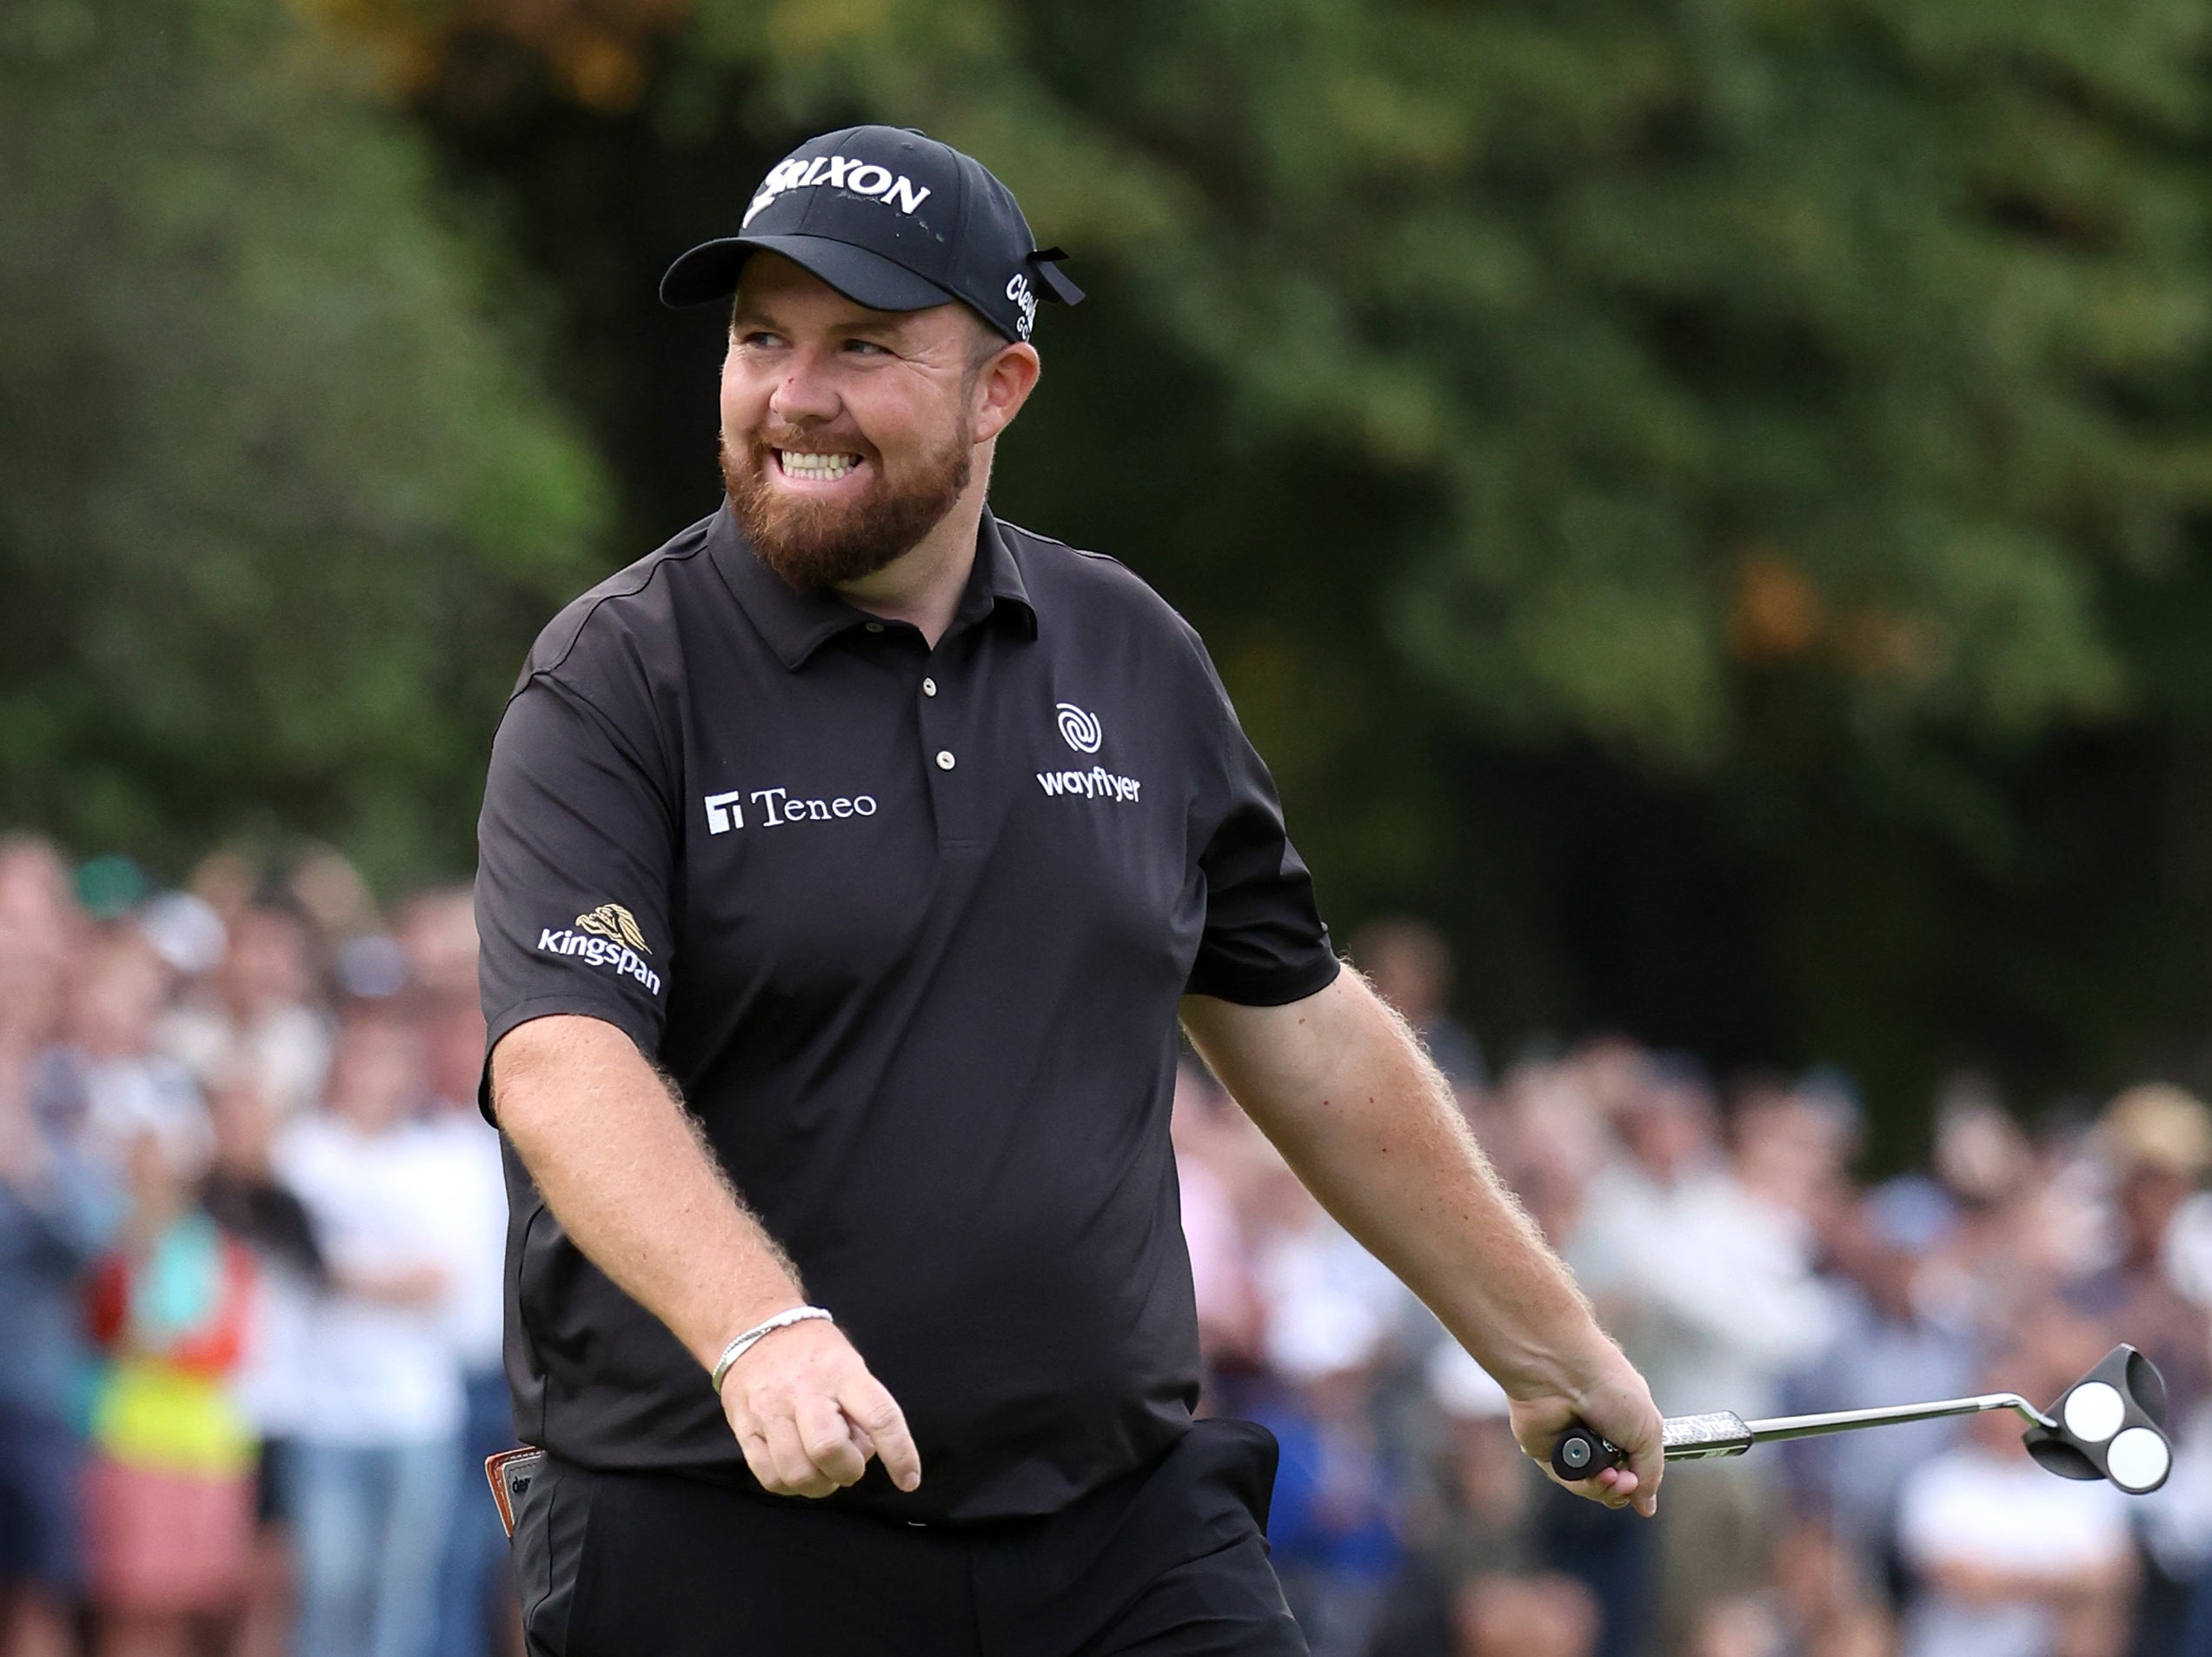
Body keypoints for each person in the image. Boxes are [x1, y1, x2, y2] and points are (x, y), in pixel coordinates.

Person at [474, 124, 1663, 1657]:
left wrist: (1540, 1338)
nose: (795, 394)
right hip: (718, 1526)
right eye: (760, 338)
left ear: (1000, 389)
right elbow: (565, 1063)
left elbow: (1302, 1029)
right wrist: (757, 1331)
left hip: (1115, 1531)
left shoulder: (1130, 653)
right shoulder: (619, 674)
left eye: (863, 345)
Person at [274, 1002, 463, 1657]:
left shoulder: (439, 1159)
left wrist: (339, 1272)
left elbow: (441, 1278)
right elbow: (292, 1263)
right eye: (361, 1055)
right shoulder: (299, 1152)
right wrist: (379, 1277)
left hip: (416, 1412)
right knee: (327, 1589)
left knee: (401, 1597)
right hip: (324, 1411)